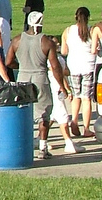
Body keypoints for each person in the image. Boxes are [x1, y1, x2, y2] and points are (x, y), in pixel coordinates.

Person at [6, 11, 76, 158]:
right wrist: (62, 86)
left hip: (23, 77)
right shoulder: (46, 42)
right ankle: (43, 147)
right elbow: (56, 67)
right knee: (43, 114)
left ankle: (23, 144)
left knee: (24, 111)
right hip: (40, 78)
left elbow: (8, 62)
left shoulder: (17, 40)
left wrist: (22, 67)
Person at [62, 6, 96, 138]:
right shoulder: (91, 30)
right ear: (88, 17)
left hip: (73, 67)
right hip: (88, 66)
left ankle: (74, 120)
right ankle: (86, 128)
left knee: (76, 96)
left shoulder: (68, 31)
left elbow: (64, 51)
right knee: (86, 98)